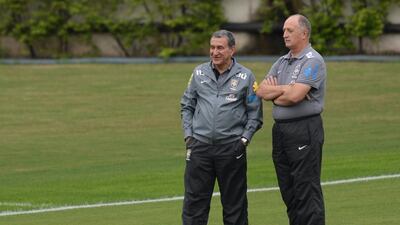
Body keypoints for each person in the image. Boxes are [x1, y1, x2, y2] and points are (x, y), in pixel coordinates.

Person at [180, 30, 263, 225]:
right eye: (212, 47)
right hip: (200, 148)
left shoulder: (246, 76)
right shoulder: (199, 73)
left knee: (235, 206)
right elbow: (186, 105)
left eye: (220, 48)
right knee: (194, 206)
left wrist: (244, 140)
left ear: (232, 50)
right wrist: (188, 137)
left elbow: (255, 114)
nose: (215, 52)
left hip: (231, 149)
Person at [256, 14, 327, 225]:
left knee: (306, 188)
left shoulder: (313, 61)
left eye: (290, 30)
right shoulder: (281, 62)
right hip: (280, 132)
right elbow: (261, 91)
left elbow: (295, 97)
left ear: (304, 33)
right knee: (288, 189)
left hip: (304, 129)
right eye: (284, 30)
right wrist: (285, 90)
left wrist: (279, 93)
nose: (284, 34)